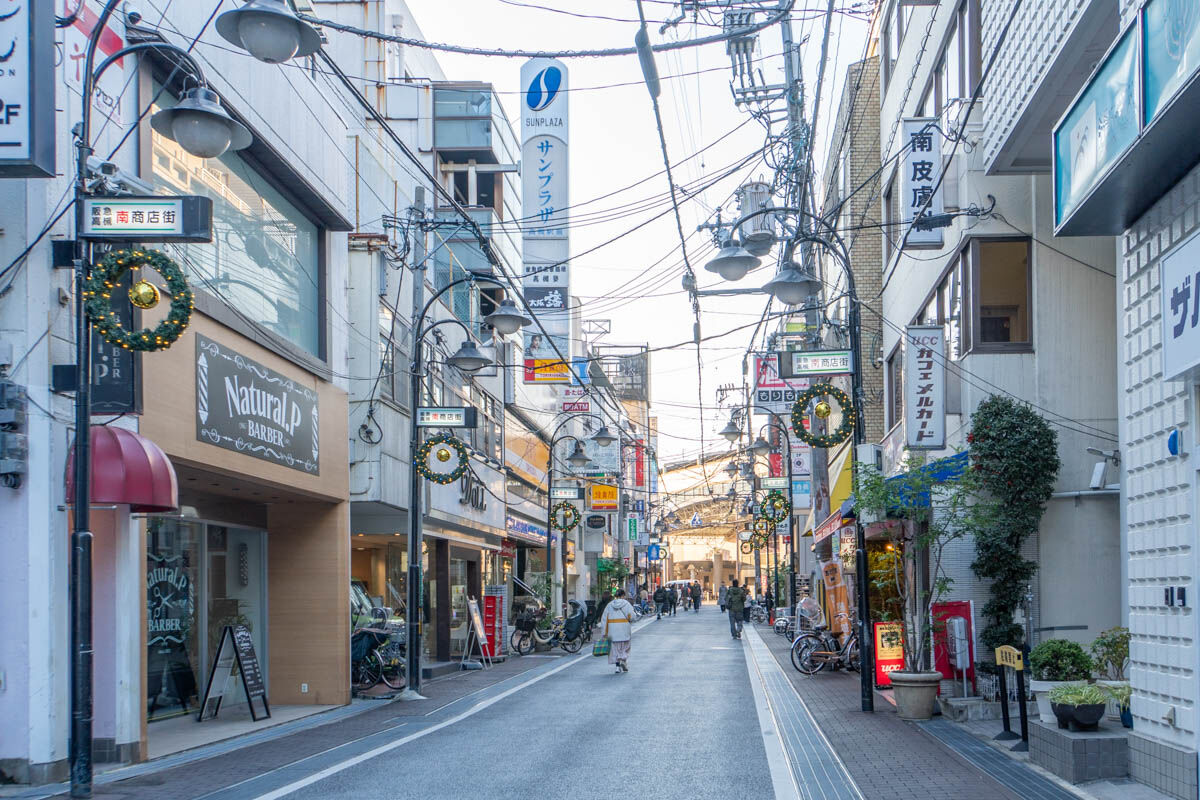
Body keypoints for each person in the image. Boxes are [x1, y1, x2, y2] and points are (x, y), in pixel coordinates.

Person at [598, 589, 634, 673]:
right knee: (625, 647)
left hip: (612, 631)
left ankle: (617, 666)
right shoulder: (626, 604)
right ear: (623, 596)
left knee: (615, 649)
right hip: (624, 629)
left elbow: (604, 619)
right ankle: (623, 661)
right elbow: (631, 616)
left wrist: (604, 632)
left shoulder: (609, 605)